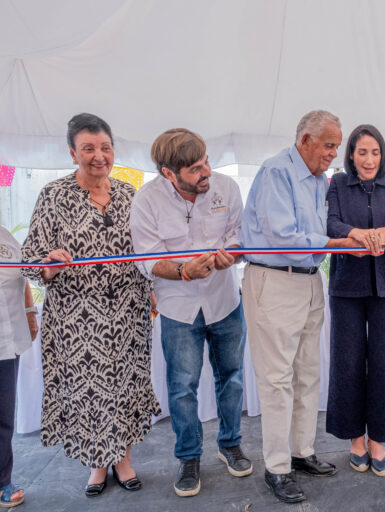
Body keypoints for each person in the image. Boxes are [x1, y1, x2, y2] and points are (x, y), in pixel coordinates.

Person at [21, 113, 160, 496]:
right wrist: (48, 265)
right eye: (88, 149)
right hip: (76, 317)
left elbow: (147, 252)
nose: (99, 156)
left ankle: (124, 460)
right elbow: (31, 259)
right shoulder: (53, 194)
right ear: (72, 153)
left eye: (105, 148)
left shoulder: (132, 194)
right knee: (89, 393)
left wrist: (151, 286)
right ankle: (97, 465)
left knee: (126, 387)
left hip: (130, 312)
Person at [240, 110, 357, 503]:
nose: (333, 154)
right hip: (274, 281)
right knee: (276, 380)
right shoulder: (277, 171)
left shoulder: (321, 181)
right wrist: (337, 245)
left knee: (307, 373)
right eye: (328, 145)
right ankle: (277, 468)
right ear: (304, 140)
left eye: (336, 146)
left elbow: (320, 231)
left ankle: (302, 452)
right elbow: (282, 237)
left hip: (309, 282)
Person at [130, 128, 250, 497]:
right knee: (182, 387)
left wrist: (232, 253)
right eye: (196, 169)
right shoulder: (146, 201)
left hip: (225, 301)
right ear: (169, 173)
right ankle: (188, 456)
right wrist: (183, 271)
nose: (206, 173)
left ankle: (230, 443)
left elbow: (240, 237)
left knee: (231, 377)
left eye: (207, 162)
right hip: (178, 309)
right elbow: (147, 259)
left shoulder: (226, 188)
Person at [325, 124, 385, 476]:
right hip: (347, 287)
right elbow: (330, 223)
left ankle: (378, 439)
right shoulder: (337, 184)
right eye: (362, 152)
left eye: (375, 152)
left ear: (383, 155)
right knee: (347, 362)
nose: (369, 159)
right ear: (351, 154)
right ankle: (355, 440)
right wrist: (355, 233)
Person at [1, 227, 38, 508]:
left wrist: (30, 312)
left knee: (3, 417)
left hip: (8, 340)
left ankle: (3, 481)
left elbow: (22, 276)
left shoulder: (5, 236)